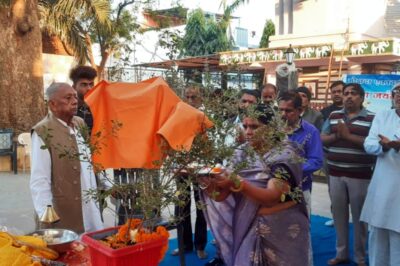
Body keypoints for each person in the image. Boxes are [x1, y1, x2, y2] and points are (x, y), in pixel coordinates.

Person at [200, 104, 309, 266]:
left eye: (254, 127)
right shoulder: (240, 154)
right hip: (247, 225)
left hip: (280, 227)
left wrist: (239, 183)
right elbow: (221, 196)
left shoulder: (284, 156)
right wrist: (206, 182)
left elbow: (272, 197)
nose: (248, 132)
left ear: (272, 128)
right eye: (245, 126)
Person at [30, 82, 103, 234]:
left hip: (90, 203)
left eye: (75, 97)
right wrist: (46, 213)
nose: (75, 101)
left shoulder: (79, 123)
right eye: (68, 98)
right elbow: (39, 178)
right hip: (64, 208)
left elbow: (90, 160)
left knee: (92, 242)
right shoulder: (42, 131)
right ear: (53, 104)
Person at [321, 83, 375, 266]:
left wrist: (348, 136)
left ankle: (360, 257)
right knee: (339, 217)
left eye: (353, 93)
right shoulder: (334, 115)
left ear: (361, 97)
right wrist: (339, 136)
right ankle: (341, 253)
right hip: (335, 174)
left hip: (359, 176)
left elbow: (372, 144)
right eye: (346, 94)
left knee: (360, 219)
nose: (348, 96)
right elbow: (323, 138)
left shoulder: (371, 118)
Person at [361, 84, 400, 266]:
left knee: (397, 235)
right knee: (378, 232)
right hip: (382, 184)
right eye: (396, 93)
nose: (398, 96)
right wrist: (384, 146)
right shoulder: (383, 115)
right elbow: (369, 144)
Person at [172, 86, 208, 259]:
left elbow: (212, 145)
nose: (190, 100)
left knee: (201, 208)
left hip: (202, 169)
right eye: (187, 96)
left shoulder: (206, 117)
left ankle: (200, 245)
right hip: (181, 169)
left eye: (194, 96)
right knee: (181, 208)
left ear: (201, 98)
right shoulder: (178, 116)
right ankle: (184, 244)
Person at [278, 92, 323, 216]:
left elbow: (316, 161)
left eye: (288, 111)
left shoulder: (311, 131)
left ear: (299, 110)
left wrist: (291, 170)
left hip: (300, 188)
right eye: (280, 110)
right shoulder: (272, 129)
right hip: (273, 188)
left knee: (300, 227)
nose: (283, 114)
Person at [320, 80, 345, 227]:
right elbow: (322, 135)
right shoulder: (326, 112)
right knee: (333, 189)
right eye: (334, 91)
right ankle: (336, 217)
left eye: (339, 91)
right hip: (330, 156)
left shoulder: (355, 111)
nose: (337, 94)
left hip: (352, 158)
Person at [69, 65, 97, 131]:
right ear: (74, 87)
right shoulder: (68, 111)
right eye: (84, 84)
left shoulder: (100, 108)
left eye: (91, 84)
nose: (89, 88)